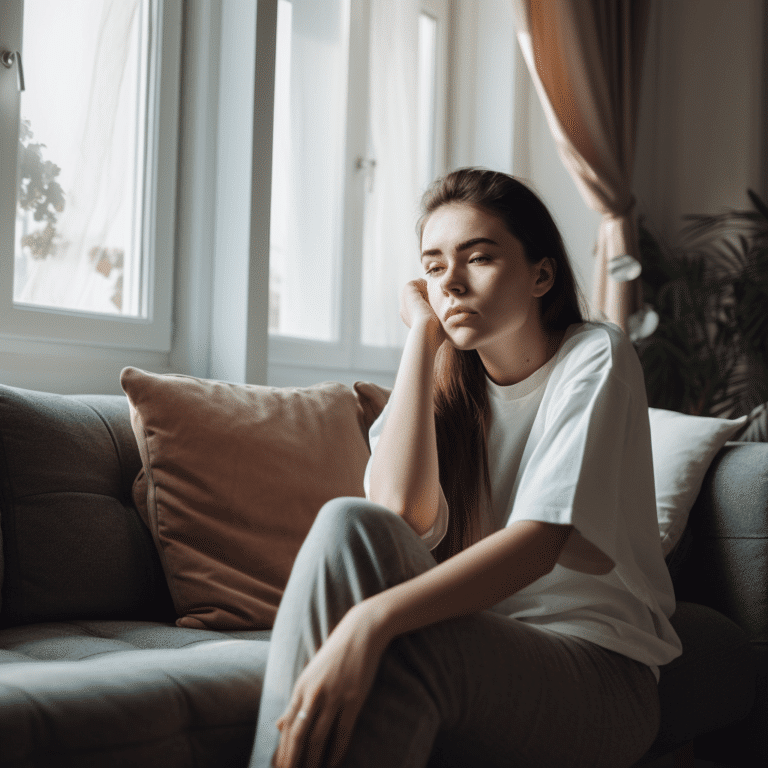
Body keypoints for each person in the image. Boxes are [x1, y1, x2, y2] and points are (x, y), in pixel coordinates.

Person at [249, 168, 682, 768]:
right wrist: (424, 338)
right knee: (346, 521)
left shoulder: (595, 354)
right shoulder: (445, 382)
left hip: (599, 670)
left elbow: (539, 543)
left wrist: (368, 623)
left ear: (541, 274)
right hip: (489, 646)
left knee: (396, 647)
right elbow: (397, 515)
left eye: (477, 258)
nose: (449, 281)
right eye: (432, 267)